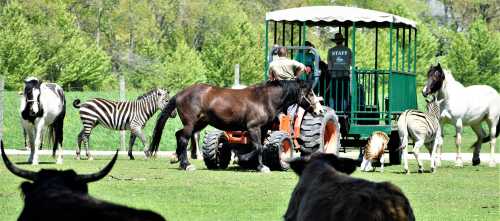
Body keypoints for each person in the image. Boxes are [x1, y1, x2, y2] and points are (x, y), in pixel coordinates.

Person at [327, 33, 352, 111]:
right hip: (345, 76)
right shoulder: (348, 50)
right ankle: (344, 113)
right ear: (342, 41)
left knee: (333, 95)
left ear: (335, 41)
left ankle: (333, 111)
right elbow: (351, 63)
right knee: (345, 95)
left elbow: (329, 66)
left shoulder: (331, 51)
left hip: (334, 76)